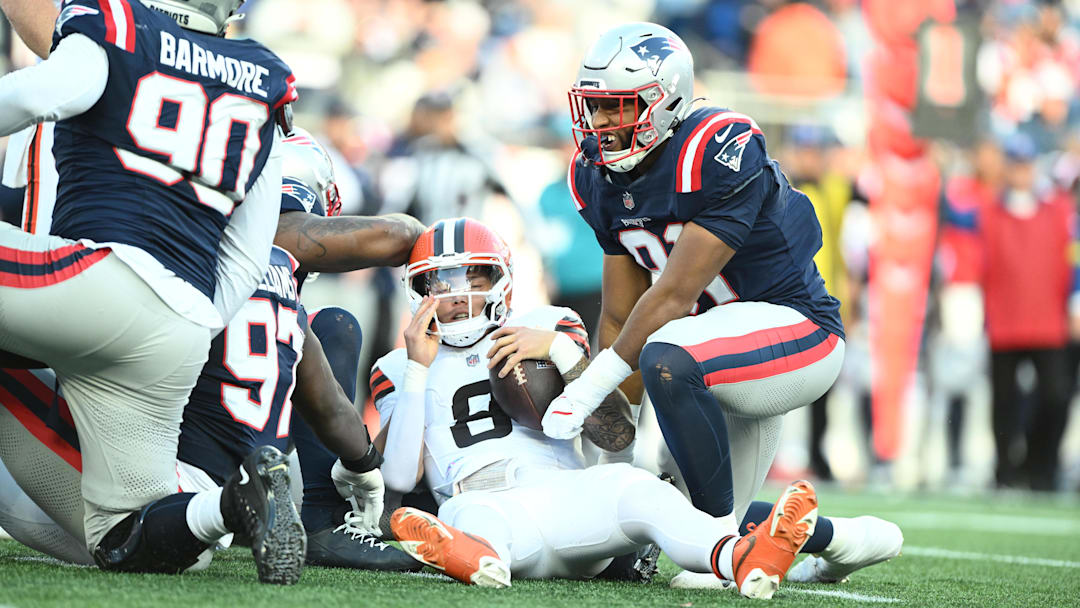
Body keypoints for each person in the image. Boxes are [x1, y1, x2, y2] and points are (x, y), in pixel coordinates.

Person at [375, 219, 901, 600]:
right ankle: (474, 557)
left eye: (473, 278)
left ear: (502, 281)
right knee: (470, 515)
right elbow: (399, 474)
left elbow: (616, 438)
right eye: (440, 282)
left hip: (567, 494)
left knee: (640, 491)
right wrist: (419, 370)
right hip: (485, 503)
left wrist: (562, 353)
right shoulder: (399, 365)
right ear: (419, 289)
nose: (457, 296)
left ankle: (738, 557)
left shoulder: (546, 324)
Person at [0, 131, 426, 572]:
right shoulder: (291, 311)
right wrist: (365, 467)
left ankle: (240, 502)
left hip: (146, 495)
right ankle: (279, 510)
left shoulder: (184, 264)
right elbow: (333, 408)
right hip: (218, 500)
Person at [0, 0, 304, 583]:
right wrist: (187, 321)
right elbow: (247, 253)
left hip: (98, 278)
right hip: (180, 327)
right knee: (119, 537)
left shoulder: (116, 22)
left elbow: (41, 95)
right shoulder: (265, 76)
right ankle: (230, 504)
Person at [554, 23, 848, 593]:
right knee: (656, 509)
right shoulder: (596, 176)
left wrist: (585, 390)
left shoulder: (716, 147)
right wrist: (611, 461)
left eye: (618, 108)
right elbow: (618, 319)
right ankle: (853, 541)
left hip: (798, 334)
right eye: (594, 109)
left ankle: (723, 545)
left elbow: (672, 298)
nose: (602, 126)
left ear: (665, 101)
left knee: (666, 351)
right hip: (709, 358)